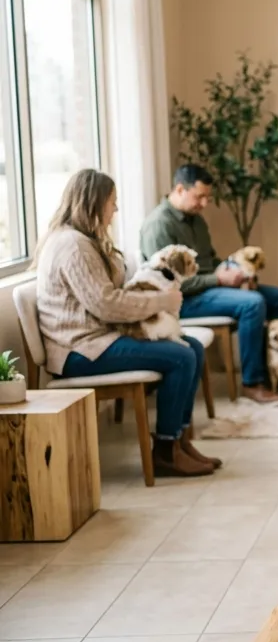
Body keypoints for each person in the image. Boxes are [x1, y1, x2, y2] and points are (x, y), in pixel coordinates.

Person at [35, 169, 218, 477]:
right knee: (182, 356)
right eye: (112, 202)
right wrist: (160, 302)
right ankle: (165, 449)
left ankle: (179, 442)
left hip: (100, 339)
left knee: (194, 347)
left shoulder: (84, 241)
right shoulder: (73, 246)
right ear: (94, 203)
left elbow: (109, 298)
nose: (116, 209)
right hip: (80, 350)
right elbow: (106, 304)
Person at [140, 164, 278, 404]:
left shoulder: (197, 221)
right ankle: (253, 383)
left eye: (207, 198)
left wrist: (239, 273)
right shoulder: (159, 225)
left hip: (210, 289)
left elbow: (211, 262)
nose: (204, 204)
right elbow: (169, 283)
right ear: (180, 189)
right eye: (199, 196)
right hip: (183, 299)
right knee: (252, 304)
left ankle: (276, 372)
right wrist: (220, 279)